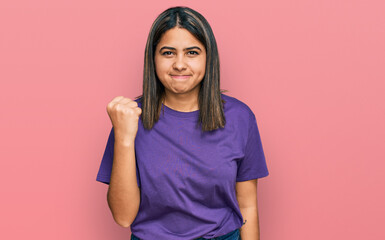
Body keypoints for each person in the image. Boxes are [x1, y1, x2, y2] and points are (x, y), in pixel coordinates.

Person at [96, 6, 269, 240]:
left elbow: (247, 206)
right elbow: (123, 217)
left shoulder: (240, 117)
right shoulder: (129, 118)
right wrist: (124, 138)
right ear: (153, 58)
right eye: (168, 53)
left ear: (209, 57)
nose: (179, 64)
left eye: (192, 52)